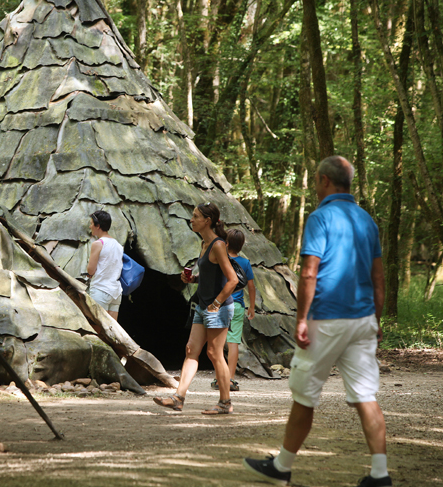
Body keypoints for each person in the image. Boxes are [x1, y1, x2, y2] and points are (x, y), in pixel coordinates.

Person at [243, 156, 390, 487]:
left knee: (305, 394)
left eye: (315, 180)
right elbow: (379, 279)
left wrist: (302, 319)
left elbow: (309, 272)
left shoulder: (321, 217)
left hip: (327, 318)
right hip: (363, 318)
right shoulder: (367, 221)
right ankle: (380, 475)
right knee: (366, 396)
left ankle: (282, 467)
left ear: (325, 181)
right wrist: (376, 320)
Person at [153, 202, 238, 414]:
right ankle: (178, 398)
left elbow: (232, 280)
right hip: (202, 306)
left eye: (195, 216)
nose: (191, 219)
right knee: (191, 350)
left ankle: (225, 403)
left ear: (207, 221)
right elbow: (212, 276)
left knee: (214, 353)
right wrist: (193, 279)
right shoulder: (204, 244)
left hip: (217, 308)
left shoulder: (218, 245)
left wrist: (216, 303)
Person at [210, 228, 255, 392]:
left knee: (218, 344)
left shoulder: (221, 260)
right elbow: (251, 286)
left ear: (226, 243)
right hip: (237, 306)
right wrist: (252, 306)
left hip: (221, 305)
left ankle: (218, 378)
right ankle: (231, 379)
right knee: (233, 342)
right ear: (242, 245)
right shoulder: (245, 263)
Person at [87, 210, 124, 321]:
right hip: (116, 292)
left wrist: (91, 272)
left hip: (100, 289)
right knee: (112, 330)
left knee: (98, 329)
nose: (90, 226)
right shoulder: (119, 245)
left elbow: (90, 270)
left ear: (98, 226)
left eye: (91, 223)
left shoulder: (98, 244)